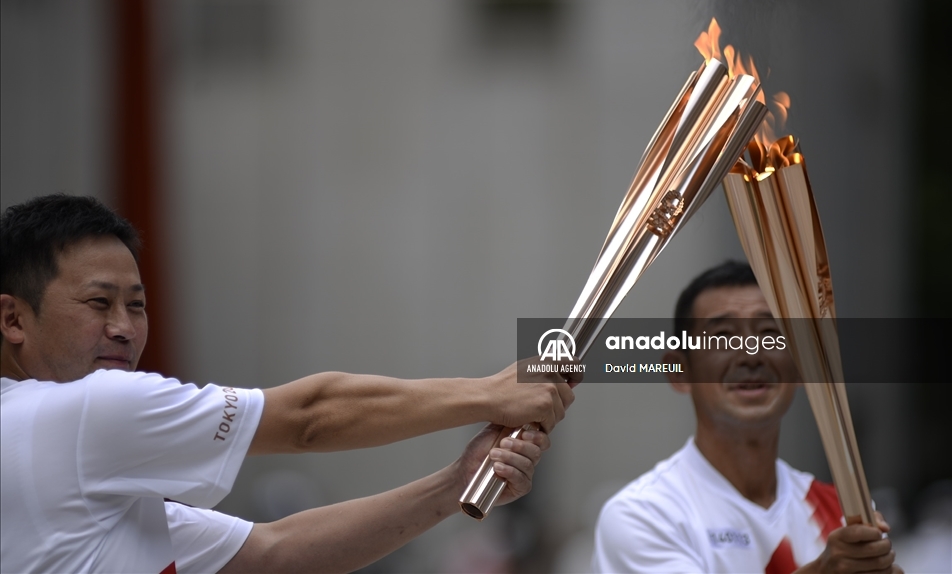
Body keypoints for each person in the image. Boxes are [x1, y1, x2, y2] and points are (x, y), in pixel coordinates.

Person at [0, 193, 575, 574]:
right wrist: (490, 393)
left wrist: (455, 486)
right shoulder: (84, 414)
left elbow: (275, 554)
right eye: (98, 303)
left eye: (137, 305)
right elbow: (308, 419)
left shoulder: (75, 466)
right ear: (12, 319)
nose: (124, 328)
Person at [592, 261, 901, 574]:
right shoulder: (643, 514)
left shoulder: (844, 511)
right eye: (723, 337)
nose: (751, 355)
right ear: (680, 371)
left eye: (769, 334)